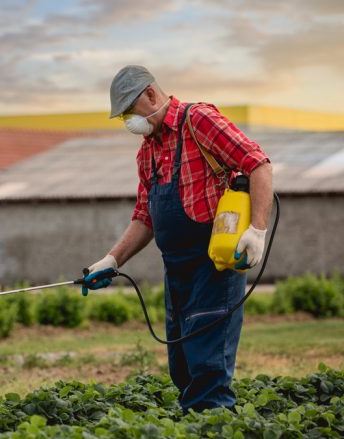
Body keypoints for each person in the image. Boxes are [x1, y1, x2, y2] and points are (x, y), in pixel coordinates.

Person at [84, 65, 273, 412]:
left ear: (151, 95)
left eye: (129, 110)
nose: (128, 121)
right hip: (177, 272)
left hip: (213, 267)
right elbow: (145, 216)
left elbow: (258, 164)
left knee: (207, 370)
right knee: (183, 367)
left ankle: (216, 425)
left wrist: (257, 230)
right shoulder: (148, 150)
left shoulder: (198, 121)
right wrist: (112, 260)